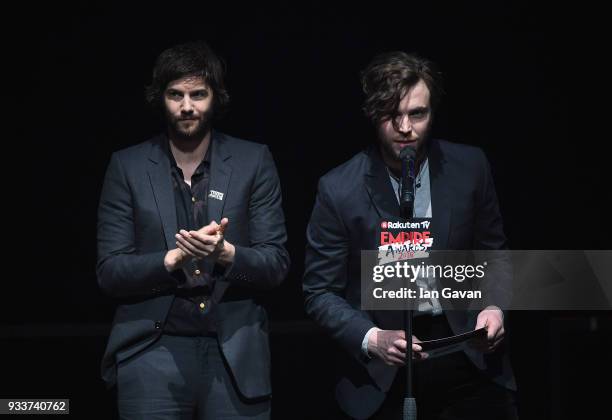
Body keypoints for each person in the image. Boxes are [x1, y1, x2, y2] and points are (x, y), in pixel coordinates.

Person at [303, 51, 517, 419]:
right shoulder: (339, 189)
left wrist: (495, 308)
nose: (405, 127)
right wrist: (372, 339)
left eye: (417, 114)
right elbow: (319, 292)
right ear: (374, 115)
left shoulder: (470, 167)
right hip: (385, 370)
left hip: (466, 351)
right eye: (392, 115)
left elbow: (493, 255)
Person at [97, 40, 289, 419]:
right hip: (153, 348)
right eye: (176, 95)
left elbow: (276, 264)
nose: (187, 106)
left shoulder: (254, 161)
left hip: (233, 349)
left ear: (215, 97)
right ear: (160, 98)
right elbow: (109, 272)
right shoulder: (127, 166)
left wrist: (225, 254)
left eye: (198, 94)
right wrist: (171, 259)